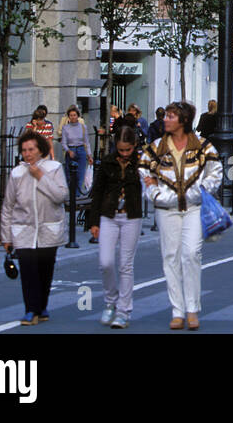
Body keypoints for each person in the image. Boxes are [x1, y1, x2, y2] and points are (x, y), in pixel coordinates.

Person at [141, 101, 222, 331]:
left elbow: (215, 172)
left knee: (191, 254)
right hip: (166, 209)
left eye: (170, 116)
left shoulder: (203, 146)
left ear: (184, 121)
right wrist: (155, 194)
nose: (165, 119)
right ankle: (177, 311)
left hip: (193, 208)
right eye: (166, 116)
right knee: (170, 257)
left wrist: (200, 190)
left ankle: (192, 309)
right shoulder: (155, 147)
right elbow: (144, 171)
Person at [0, 130, 69, 325]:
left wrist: (41, 177)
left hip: (48, 228)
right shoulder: (17, 173)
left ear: (40, 150)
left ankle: (42, 307)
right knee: (28, 270)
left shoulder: (54, 168)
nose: (27, 154)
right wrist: (6, 236)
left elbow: (60, 196)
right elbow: (8, 205)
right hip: (24, 229)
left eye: (31, 149)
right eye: (24, 150)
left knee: (45, 270)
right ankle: (31, 309)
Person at [87, 126, 144, 329]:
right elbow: (98, 191)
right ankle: (110, 302)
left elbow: (149, 184)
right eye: (121, 150)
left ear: (134, 146)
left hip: (131, 215)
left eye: (128, 150)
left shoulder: (141, 163)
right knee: (106, 262)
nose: (124, 154)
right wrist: (93, 222)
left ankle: (123, 311)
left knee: (126, 265)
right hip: (108, 214)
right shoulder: (107, 163)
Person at [58, 106, 93, 198]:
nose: (73, 117)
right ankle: (71, 193)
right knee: (69, 174)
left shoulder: (83, 127)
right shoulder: (66, 128)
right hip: (71, 150)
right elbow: (64, 142)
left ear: (78, 116)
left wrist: (89, 155)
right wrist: (68, 151)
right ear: (68, 117)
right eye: (71, 115)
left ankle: (77, 195)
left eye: (74, 115)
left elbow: (87, 142)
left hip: (81, 150)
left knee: (80, 174)